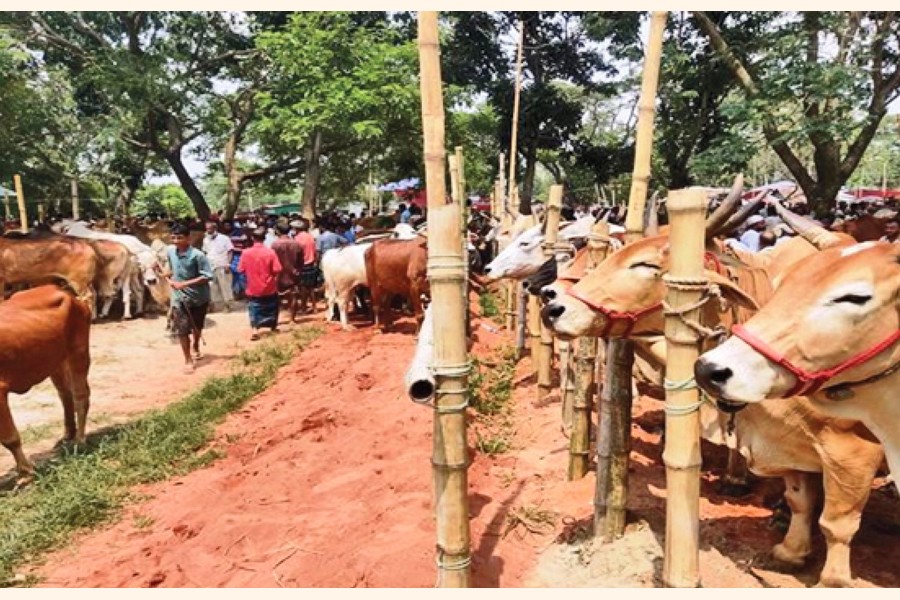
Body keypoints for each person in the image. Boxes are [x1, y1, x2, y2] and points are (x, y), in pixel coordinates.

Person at [163, 223, 214, 374]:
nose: (176, 241)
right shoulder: (171, 251)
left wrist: (184, 284)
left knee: (197, 326)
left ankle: (196, 345)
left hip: (199, 298)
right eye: (173, 238)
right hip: (179, 298)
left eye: (179, 238)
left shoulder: (198, 255)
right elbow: (170, 267)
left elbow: (208, 276)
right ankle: (187, 359)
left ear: (188, 238)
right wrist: (166, 273)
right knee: (182, 330)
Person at [238, 227, 283, 340]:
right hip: (269, 286)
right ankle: (272, 327)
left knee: (254, 307)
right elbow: (277, 269)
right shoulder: (270, 252)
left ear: (253, 238)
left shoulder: (246, 253)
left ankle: (255, 330)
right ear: (264, 238)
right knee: (272, 306)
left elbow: (240, 269)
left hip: (253, 287)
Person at [271, 222, 303, 323]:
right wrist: (298, 270)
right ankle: (292, 319)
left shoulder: (275, 244)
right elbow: (301, 260)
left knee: (276, 297)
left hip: (278, 274)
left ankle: (275, 320)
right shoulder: (296, 244)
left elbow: (272, 260)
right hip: (293, 273)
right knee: (293, 296)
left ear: (277, 231)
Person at [202, 221, 235, 312]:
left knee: (225, 286)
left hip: (222, 265)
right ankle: (214, 305)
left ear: (215, 228)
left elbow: (230, 251)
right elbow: (205, 252)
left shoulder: (224, 238)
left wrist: (228, 264)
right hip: (210, 266)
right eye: (207, 229)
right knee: (212, 286)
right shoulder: (205, 240)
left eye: (210, 229)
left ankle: (228, 305)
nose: (208, 230)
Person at [292, 220, 318, 313]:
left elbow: (296, 254)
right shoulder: (310, 237)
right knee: (311, 287)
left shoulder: (297, 239)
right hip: (311, 263)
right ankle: (315, 307)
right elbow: (315, 251)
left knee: (303, 287)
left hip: (302, 265)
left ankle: (303, 308)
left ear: (296, 229)